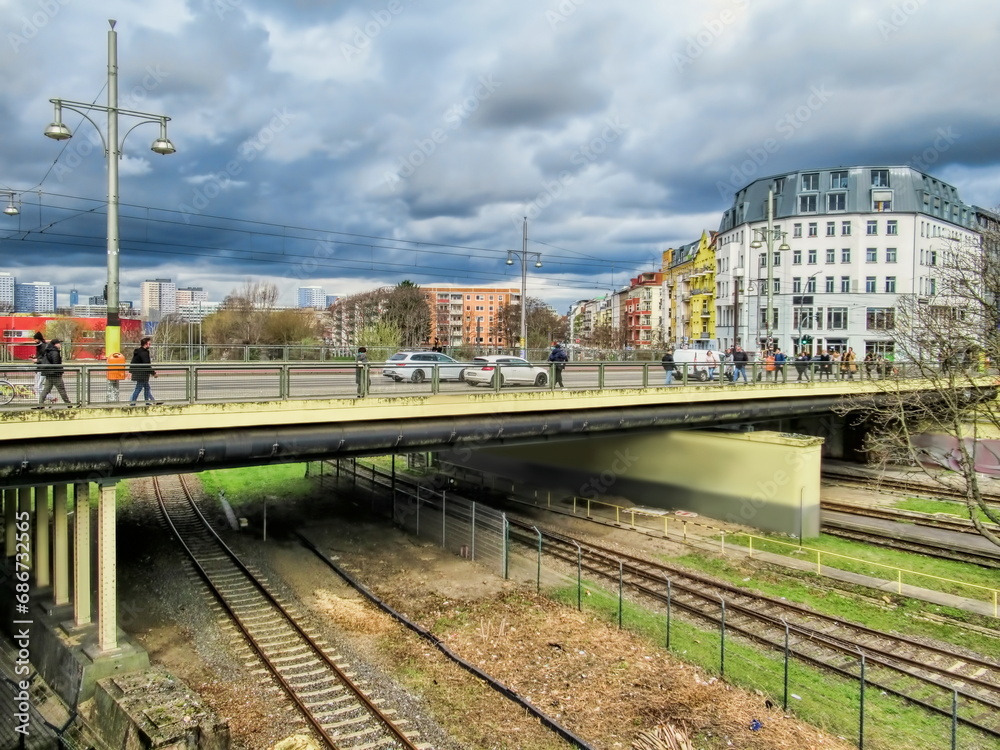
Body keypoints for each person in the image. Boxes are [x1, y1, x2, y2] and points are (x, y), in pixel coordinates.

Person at [36, 338, 71, 406]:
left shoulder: (48, 351)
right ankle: (68, 403)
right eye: (59, 343)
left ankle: (40, 403)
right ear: (56, 344)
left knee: (46, 390)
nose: (60, 345)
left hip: (49, 373)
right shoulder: (55, 352)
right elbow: (56, 363)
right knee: (61, 389)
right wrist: (60, 371)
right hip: (55, 374)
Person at [129, 336, 158, 405]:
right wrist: (153, 373)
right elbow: (147, 364)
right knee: (139, 388)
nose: (150, 345)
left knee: (146, 388)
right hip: (142, 374)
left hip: (138, 373)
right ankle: (133, 403)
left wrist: (130, 372)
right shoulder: (144, 353)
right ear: (145, 344)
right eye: (149, 344)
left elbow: (132, 362)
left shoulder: (138, 351)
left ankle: (148, 402)